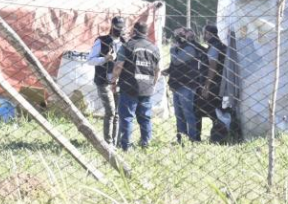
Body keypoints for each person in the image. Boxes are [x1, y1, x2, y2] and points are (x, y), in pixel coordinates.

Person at [111, 21, 160, 151]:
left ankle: (126, 146)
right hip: (147, 88)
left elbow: (118, 66)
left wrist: (113, 82)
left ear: (134, 31)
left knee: (127, 118)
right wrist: (153, 84)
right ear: (146, 32)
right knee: (145, 118)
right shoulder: (154, 48)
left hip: (129, 87)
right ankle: (146, 144)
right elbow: (158, 70)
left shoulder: (128, 46)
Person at [86, 16, 126, 146]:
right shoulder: (101, 41)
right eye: (117, 27)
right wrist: (105, 59)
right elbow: (90, 60)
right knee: (110, 111)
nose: (119, 30)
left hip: (119, 82)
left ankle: (115, 142)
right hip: (104, 81)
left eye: (121, 27)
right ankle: (108, 143)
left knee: (117, 113)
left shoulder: (125, 42)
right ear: (112, 26)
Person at [166, 27, 203, 143]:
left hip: (187, 86)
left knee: (188, 113)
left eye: (183, 34)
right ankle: (181, 138)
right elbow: (174, 66)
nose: (179, 36)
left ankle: (192, 138)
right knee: (178, 114)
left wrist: (172, 49)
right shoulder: (180, 48)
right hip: (177, 85)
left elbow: (177, 61)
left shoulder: (190, 48)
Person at [197, 24, 230, 143]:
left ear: (209, 34)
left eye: (205, 33)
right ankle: (219, 136)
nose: (203, 35)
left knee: (212, 110)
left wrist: (207, 86)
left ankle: (218, 137)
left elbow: (212, 67)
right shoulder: (220, 45)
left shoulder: (214, 47)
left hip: (214, 86)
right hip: (220, 85)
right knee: (218, 111)